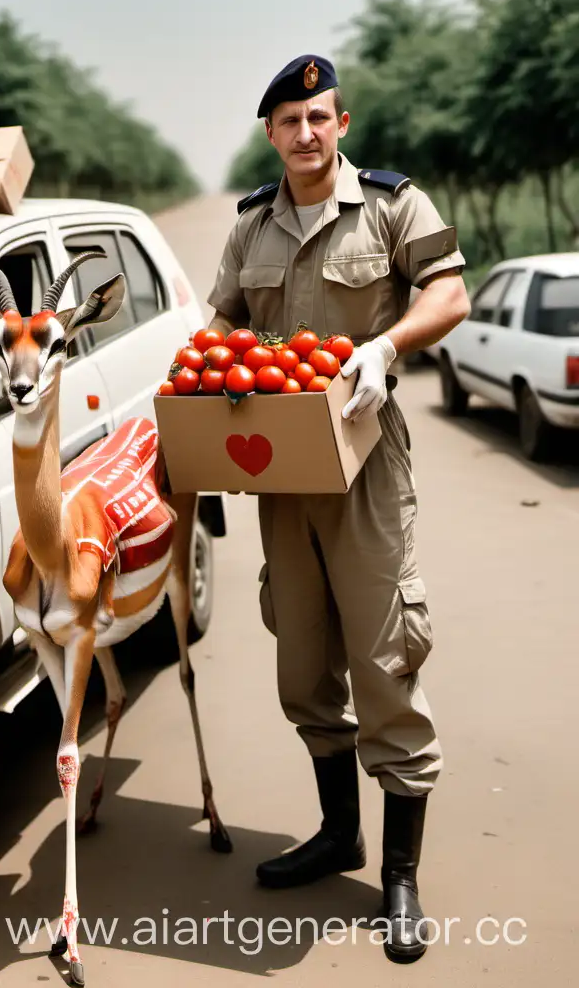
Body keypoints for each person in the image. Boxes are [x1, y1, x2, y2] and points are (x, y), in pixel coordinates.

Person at [206, 54, 470, 963]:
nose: (306, 134)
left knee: (385, 657)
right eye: (289, 122)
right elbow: (222, 327)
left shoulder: (395, 205)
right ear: (270, 133)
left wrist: (384, 347)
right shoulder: (251, 225)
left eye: (320, 117)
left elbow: (451, 291)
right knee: (303, 663)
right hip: (282, 474)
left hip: (364, 461)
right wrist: (216, 372)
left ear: (341, 124)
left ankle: (399, 875)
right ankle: (337, 835)